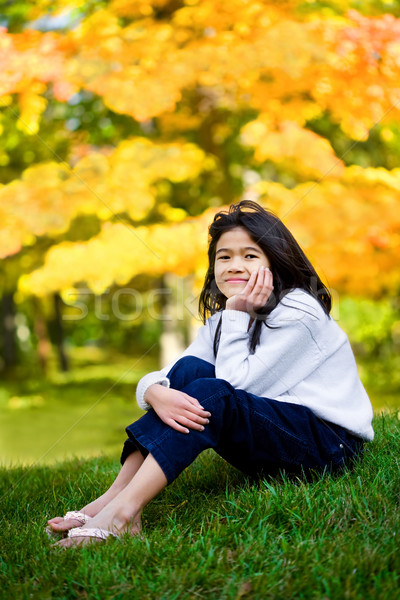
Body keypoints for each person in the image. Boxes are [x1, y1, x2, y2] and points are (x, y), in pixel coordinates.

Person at [47, 200, 374, 547]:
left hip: (329, 444)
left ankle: (123, 515)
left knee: (210, 390)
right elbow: (176, 372)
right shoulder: (224, 320)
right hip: (281, 429)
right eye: (224, 256)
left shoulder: (299, 311)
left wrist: (235, 313)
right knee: (190, 371)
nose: (235, 266)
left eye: (250, 256)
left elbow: (234, 387)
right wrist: (154, 392)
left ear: (274, 262)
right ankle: (112, 498)